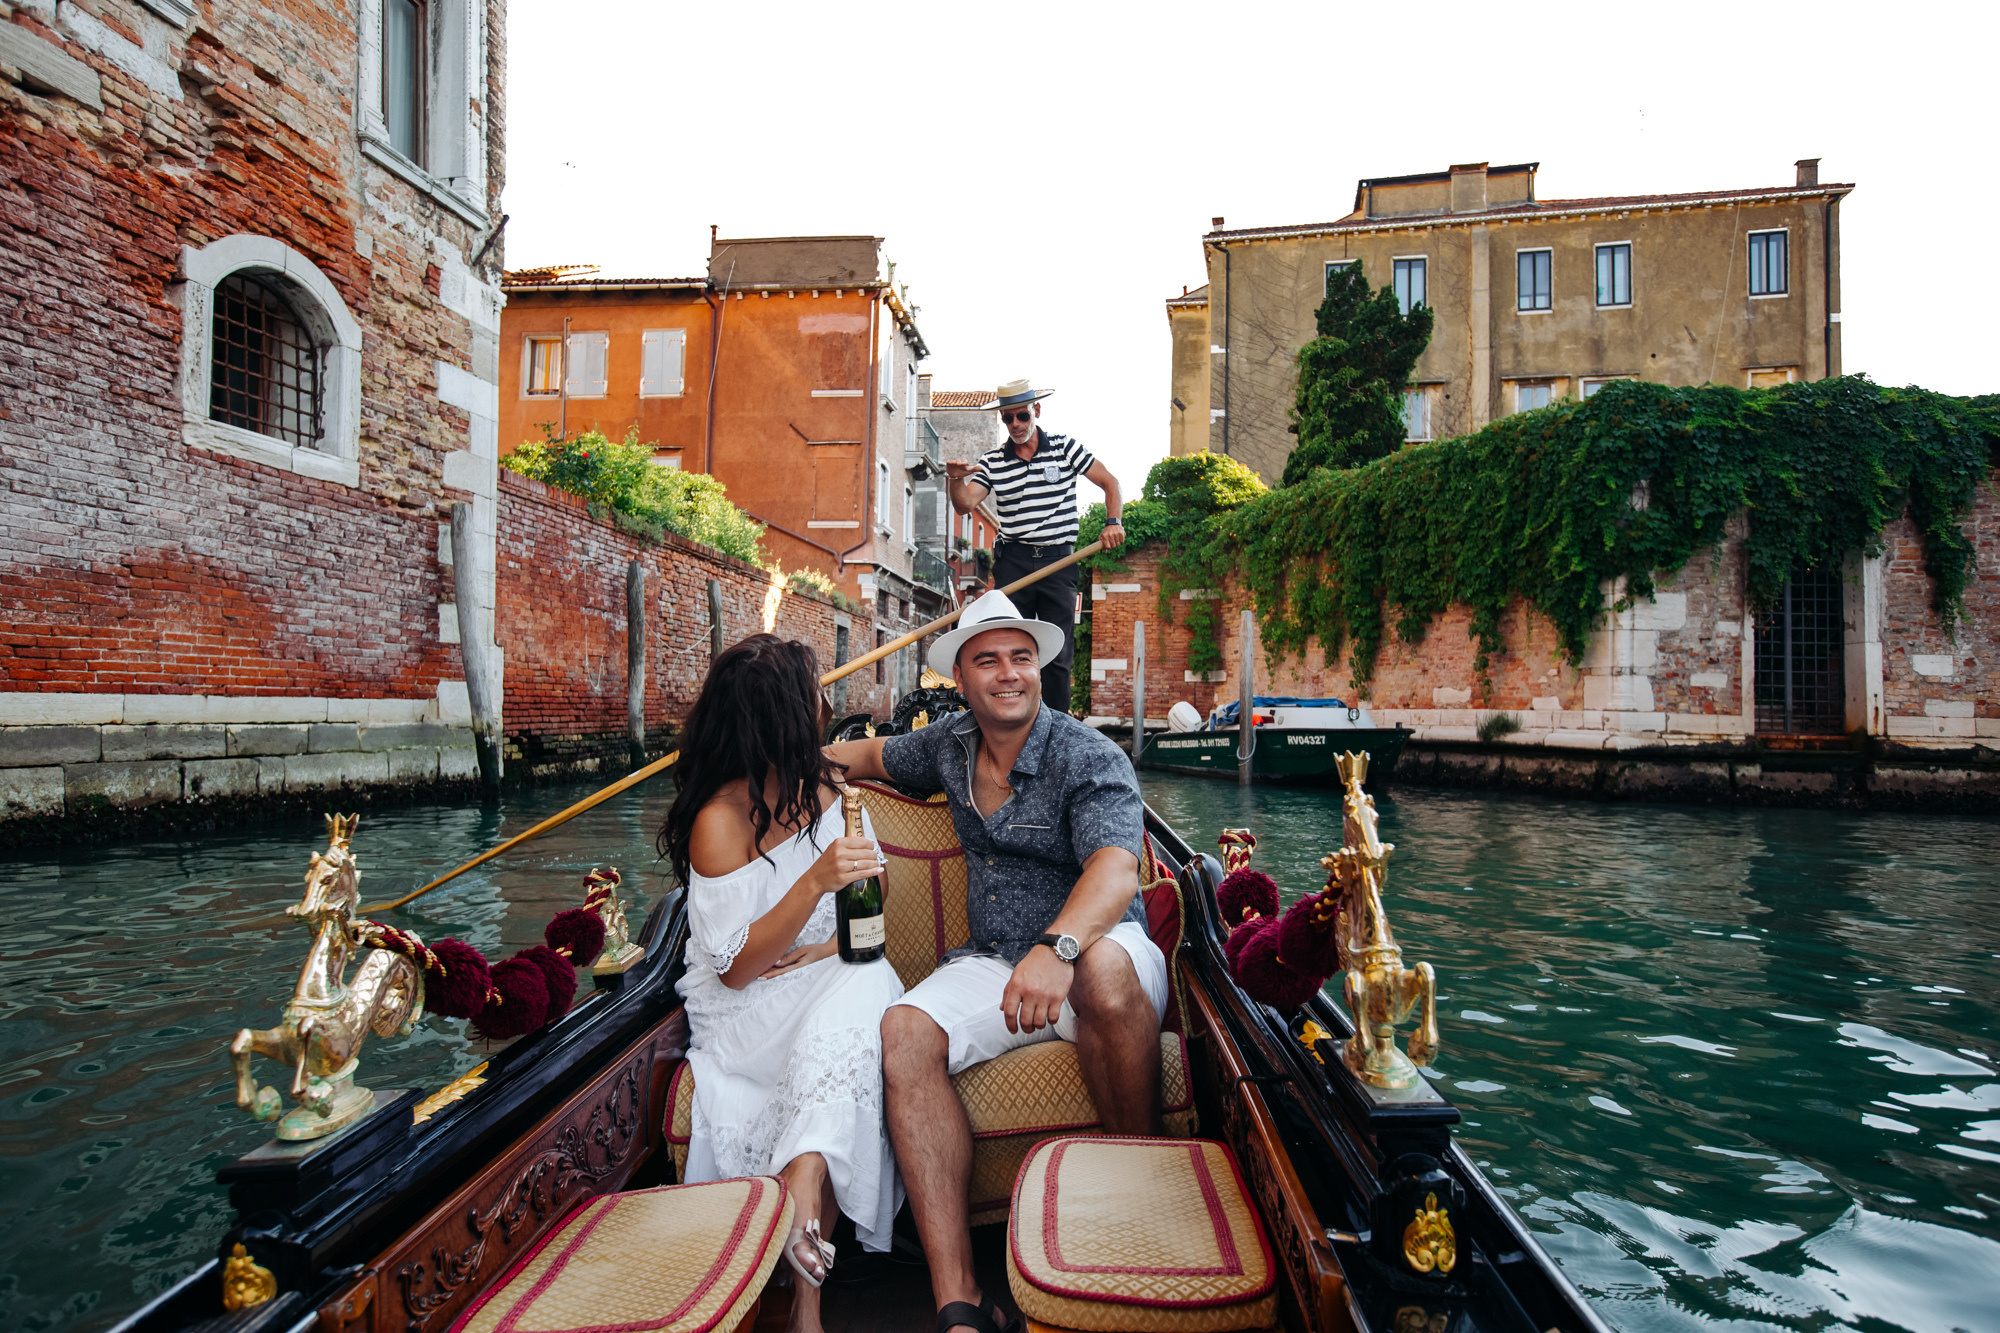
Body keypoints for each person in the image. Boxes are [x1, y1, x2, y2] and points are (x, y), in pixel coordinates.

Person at [825, 591, 1165, 1333]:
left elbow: (1114, 870)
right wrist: (769, 763)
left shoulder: (1089, 755)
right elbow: (869, 754)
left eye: (1021, 658)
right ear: (961, 679)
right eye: (989, 660)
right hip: (992, 962)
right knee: (904, 1030)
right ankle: (961, 1303)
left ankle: (1139, 1209)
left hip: (1098, 944)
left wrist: (1057, 948)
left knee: (1104, 973)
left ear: (1038, 668)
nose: (1009, 673)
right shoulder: (948, 745)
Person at [658, 634, 906, 1333]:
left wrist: (830, 942)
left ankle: (804, 1252)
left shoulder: (826, 786)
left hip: (818, 974)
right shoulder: (718, 819)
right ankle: (807, 1252)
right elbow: (735, 968)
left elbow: (876, 886)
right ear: (774, 720)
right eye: (811, 698)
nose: (823, 706)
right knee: (867, 986)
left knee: (864, 973)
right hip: (743, 1007)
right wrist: (813, 883)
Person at [944, 379, 1125, 712]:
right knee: (1011, 648)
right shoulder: (993, 461)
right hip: (1014, 563)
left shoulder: (1065, 448)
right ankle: (1012, 721)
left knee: (1058, 655)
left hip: (1059, 563)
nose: (1015, 424)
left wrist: (1113, 522)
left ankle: (1057, 728)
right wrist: (955, 478)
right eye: (1008, 418)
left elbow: (1110, 482)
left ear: (1036, 411)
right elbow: (964, 504)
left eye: (1022, 416)